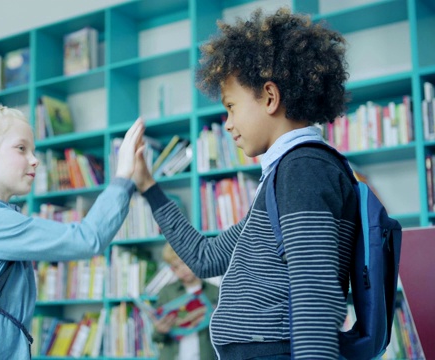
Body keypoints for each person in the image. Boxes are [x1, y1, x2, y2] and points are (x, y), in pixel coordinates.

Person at [130, 7, 357, 360]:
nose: (228, 124)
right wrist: (146, 185)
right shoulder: (283, 177)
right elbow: (204, 259)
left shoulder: (303, 169)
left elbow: (315, 295)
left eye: (231, 107)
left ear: (269, 97)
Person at [0, 104, 145, 359]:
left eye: (33, 150)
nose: (35, 159)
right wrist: (124, 176)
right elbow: (88, 239)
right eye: (21, 148)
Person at [152, 243, 218, 360]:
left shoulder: (214, 292)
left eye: (184, 263)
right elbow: (156, 337)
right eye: (175, 267)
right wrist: (160, 330)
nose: (182, 270)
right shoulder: (166, 293)